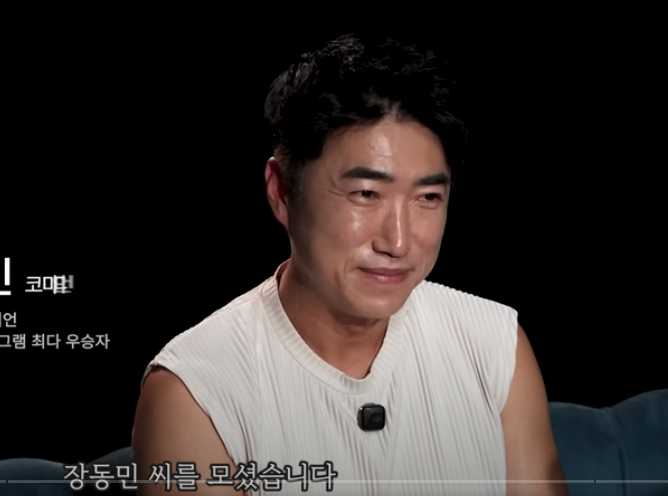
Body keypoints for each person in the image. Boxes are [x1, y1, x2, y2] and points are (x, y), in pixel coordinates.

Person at [132, 34, 566, 496]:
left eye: (427, 198)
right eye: (366, 194)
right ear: (282, 192)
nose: (398, 242)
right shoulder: (195, 391)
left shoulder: (494, 343)